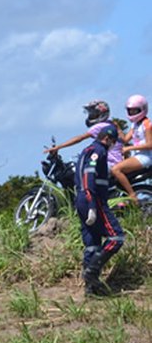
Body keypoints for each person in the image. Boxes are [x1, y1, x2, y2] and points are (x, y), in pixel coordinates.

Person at [76, 125, 125, 296]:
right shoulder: (99, 150)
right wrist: (92, 205)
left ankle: (91, 289)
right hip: (93, 199)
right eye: (113, 142)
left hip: (81, 198)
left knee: (93, 243)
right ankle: (92, 272)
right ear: (108, 139)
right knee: (116, 237)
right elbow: (89, 175)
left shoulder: (86, 150)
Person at [45, 100, 124, 168]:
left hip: (109, 163)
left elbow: (80, 138)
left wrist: (58, 147)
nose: (90, 116)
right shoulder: (111, 124)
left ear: (100, 114)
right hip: (118, 161)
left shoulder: (99, 127)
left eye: (93, 113)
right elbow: (123, 140)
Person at [113, 94, 152, 203]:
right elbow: (125, 139)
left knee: (116, 169)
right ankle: (122, 199)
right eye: (130, 111)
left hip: (146, 156)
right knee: (115, 174)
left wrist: (129, 148)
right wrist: (118, 128)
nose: (132, 113)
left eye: (135, 111)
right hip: (138, 155)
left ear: (142, 110)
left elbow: (150, 144)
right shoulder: (134, 125)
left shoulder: (147, 124)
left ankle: (132, 195)